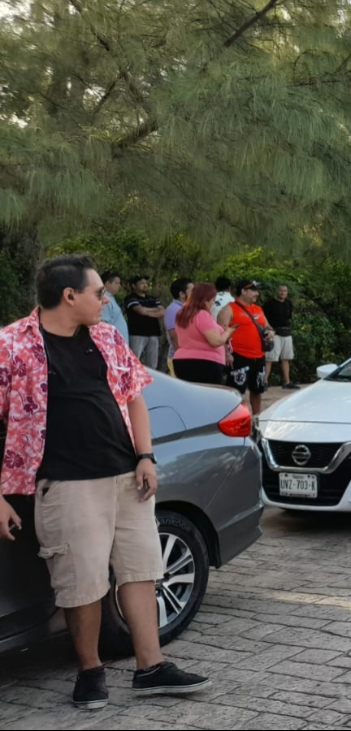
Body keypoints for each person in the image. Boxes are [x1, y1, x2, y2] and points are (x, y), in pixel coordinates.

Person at [0, 255, 211, 710]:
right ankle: (90, 671)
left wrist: (145, 456)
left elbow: (134, 396)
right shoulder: (12, 344)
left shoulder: (106, 336)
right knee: (83, 583)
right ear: (69, 295)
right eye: (98, 292)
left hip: (125, 476)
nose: (106, 299)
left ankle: (150, 667)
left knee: (141, 570)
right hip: (65, 483)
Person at [218, 280, 271, 415]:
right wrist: (226, 354)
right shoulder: (229, 309)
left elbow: (267, 326)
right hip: (238, 356)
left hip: (258, 356)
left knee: (257, 390)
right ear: (243, 291)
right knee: (236, 392)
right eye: (253, 290)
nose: (257, 294)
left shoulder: (258, 309)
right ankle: (236, 418)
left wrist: (270, 332)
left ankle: (257, 418)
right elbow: (220, 332)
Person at [173, 283, 235, 386]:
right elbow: (216, 341)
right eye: (212, 301)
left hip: (182, 360)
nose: (213, 304)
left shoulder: (181, 314)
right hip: (205, 363)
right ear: (205, 301)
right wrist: (228, 332)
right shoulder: (202, 315)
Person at [123, 275, 165, 369]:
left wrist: (147, 312)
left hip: (153, 333)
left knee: (152, 363)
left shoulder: (152, 298)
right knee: (134, 360)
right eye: (142, 283)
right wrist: (154, 310)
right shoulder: (130, 298)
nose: (145, 285)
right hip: (137, 333)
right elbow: (140, 311)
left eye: (146, 283)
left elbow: (162, 311)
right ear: (134, 286)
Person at [262, 284, 299, 390]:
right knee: (269, 358)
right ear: (276, 291)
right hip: (274, 333)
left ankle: (287, 382)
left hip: (286, 333)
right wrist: (269, 330)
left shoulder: (288, 304)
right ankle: (264, 382)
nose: (283, 293)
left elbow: (289, 318)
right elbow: (263, 319)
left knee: (286, 358)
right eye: (281, 291)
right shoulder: (269, 304)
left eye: (285, 291)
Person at [164, 278, 193, 367]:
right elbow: (173, 335)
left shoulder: (187, 309)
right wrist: (181, 356)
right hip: (179, 358)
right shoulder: (173, 309)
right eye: (192, 291)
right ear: (182, 294)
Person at [100, 272, 129, 341]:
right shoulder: (105, 299)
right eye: (116, 283)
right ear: (107, 283)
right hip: (113, 343)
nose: (119, 286)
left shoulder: (111, 298)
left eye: (119, 283)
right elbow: (103, 323)